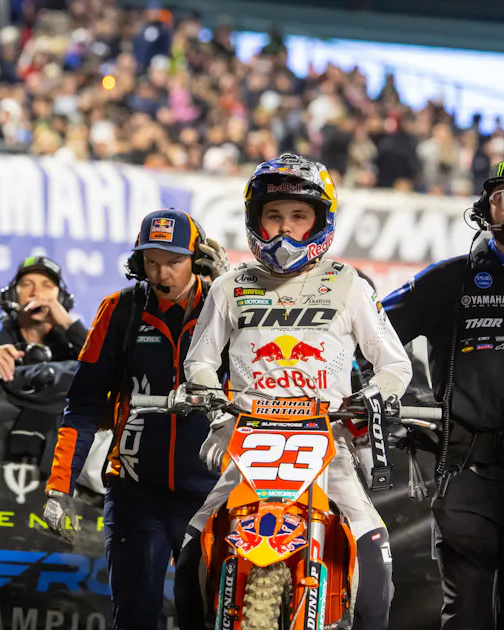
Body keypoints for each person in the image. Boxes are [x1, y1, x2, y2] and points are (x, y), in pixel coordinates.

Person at [175, 153, 411, 630]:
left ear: (319, 221)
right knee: (190, 558)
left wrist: (371, 398)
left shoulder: (348, 284)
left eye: (299, 215)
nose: (285, 227)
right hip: (248, 439)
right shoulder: (229, 287)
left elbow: (394, 364)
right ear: (255, 220)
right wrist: (215, 410)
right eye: (274, 215)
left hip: (327, 442)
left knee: (375, 565)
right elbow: (199, 362)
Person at [382, 156, 504, 630]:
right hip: (465, 472)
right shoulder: (448, 278)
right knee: (466, 616)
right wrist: (411, 395)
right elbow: (366, 334)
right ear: (484, 209)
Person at [43, 208, 231, 630]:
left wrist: (232, 291)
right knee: (135, 617)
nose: (162, 273)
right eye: (152, 261)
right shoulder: (118, 310)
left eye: (174, 261)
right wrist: (59, 488)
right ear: (137, 261)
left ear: (198, 259)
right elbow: (83, 404)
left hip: (212, 492)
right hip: (135, 493)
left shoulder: (228, 304)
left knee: (208, 617)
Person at [0, 256, 88, 382]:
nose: (36, 293)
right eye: (27, 284)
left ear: (61, 299)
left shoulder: (75, 342)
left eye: (47, 286)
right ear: (12, 296)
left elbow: (101, 365)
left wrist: (69, 324)